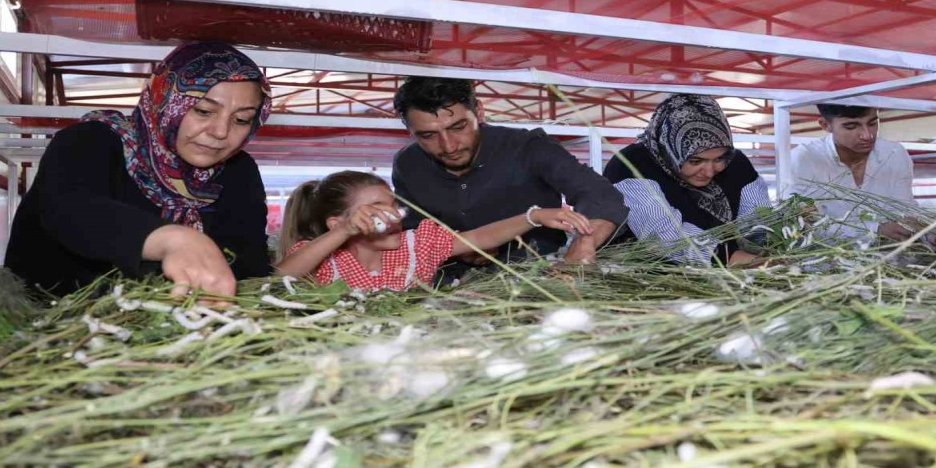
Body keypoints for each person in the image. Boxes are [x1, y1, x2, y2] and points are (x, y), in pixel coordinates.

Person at [5, 41, 272, 298]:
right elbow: (69, 209)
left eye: (241, 119)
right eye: (203, 111)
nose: (220, 132)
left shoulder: (238, 171)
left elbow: (249, 264)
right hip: (53, 324)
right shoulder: (92, 140)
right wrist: (172, 240)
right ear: (164, 98)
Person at [390, 77, 627, 276]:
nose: (449, 146)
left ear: (479, 112)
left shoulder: (528, 147)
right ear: (409, 131)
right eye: (428, 135)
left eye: (458, 127)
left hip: (541, 272)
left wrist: (584, 241)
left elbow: (600, 194)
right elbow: (413, 232)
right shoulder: (408, 165)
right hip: (450, 281)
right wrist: (457, 248)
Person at [275, 171, 593, 291]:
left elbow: (481, 238)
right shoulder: (322, 259)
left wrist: (534, 216)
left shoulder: (418, 244)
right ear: (338, 222)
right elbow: (279, 278)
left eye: (392, 205)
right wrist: (342, 233)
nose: (393, 215)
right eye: (375, 208)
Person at [604, 94, 771, 265]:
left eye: (718, 159)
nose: (709, 171)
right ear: (670, 149)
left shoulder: (735, 162)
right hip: (650, 275)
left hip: (735, 270)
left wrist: (772, 247)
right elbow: (666, 238)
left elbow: (758, 221)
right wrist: (739, 261)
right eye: (695, 161)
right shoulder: (632, 165)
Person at [788, 103, 917, 240]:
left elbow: (904, 207)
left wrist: (923, 229)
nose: (867, 136)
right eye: (851, 127)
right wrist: (874, 229)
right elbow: (804, 223)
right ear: (825, 125)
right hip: (825, 259)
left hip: (890, 257)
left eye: (873, 123)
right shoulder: (804, 159)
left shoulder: (894, 154)